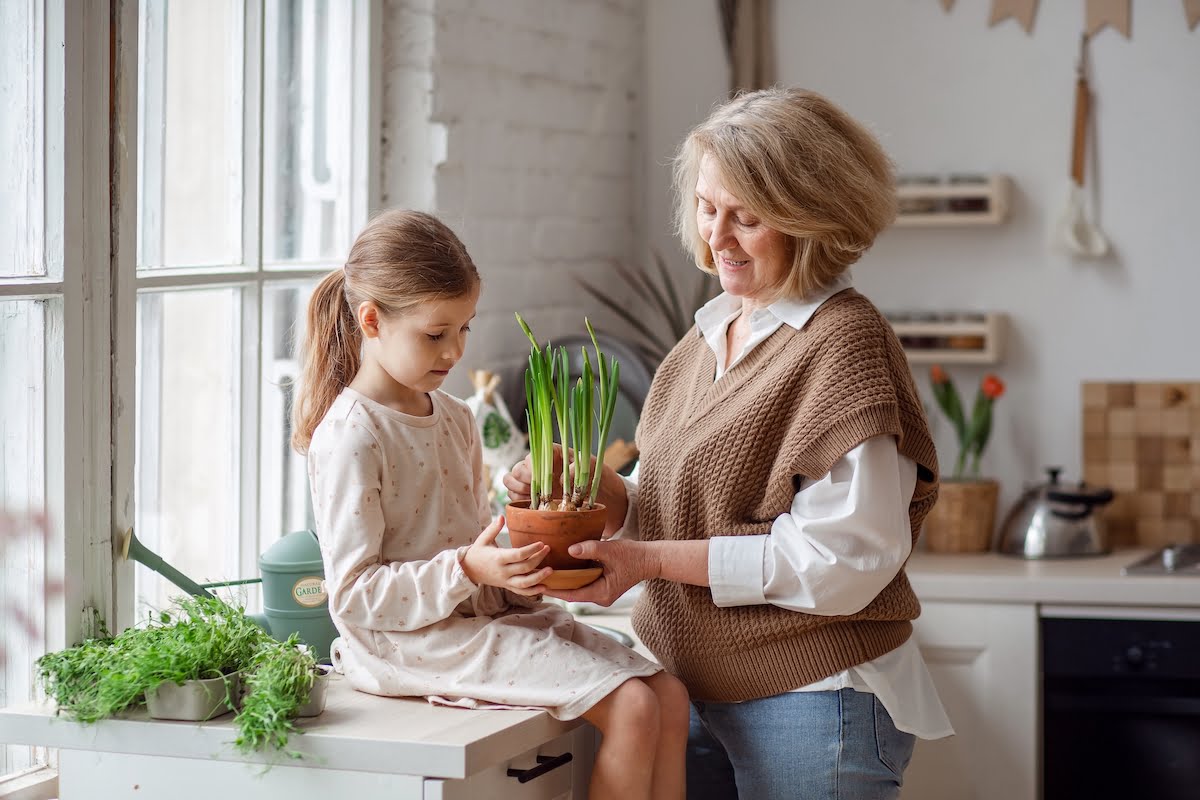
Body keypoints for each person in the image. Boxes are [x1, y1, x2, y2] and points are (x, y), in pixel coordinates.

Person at [505, 87, 953, 800]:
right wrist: (601, 491)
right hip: (693, 690)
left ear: (813, 220)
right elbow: (683, 507)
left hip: (811, 701)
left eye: (748, 218)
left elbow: (843, 563)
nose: (718, 237)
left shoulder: (843, 344)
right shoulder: (705, 339)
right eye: (709, 210)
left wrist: (647, 559)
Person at [292, 209, 688, 800]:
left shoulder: (454, 418)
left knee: (669, 697)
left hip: (479, 621)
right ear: (371, 321)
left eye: (465, 329)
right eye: (435, 333)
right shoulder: (353, 435)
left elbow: (475, 543)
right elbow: (352, 596)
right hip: (410, 642)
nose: (454, 350)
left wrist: (516, 573)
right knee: (632, 706)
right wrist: (468, 570)